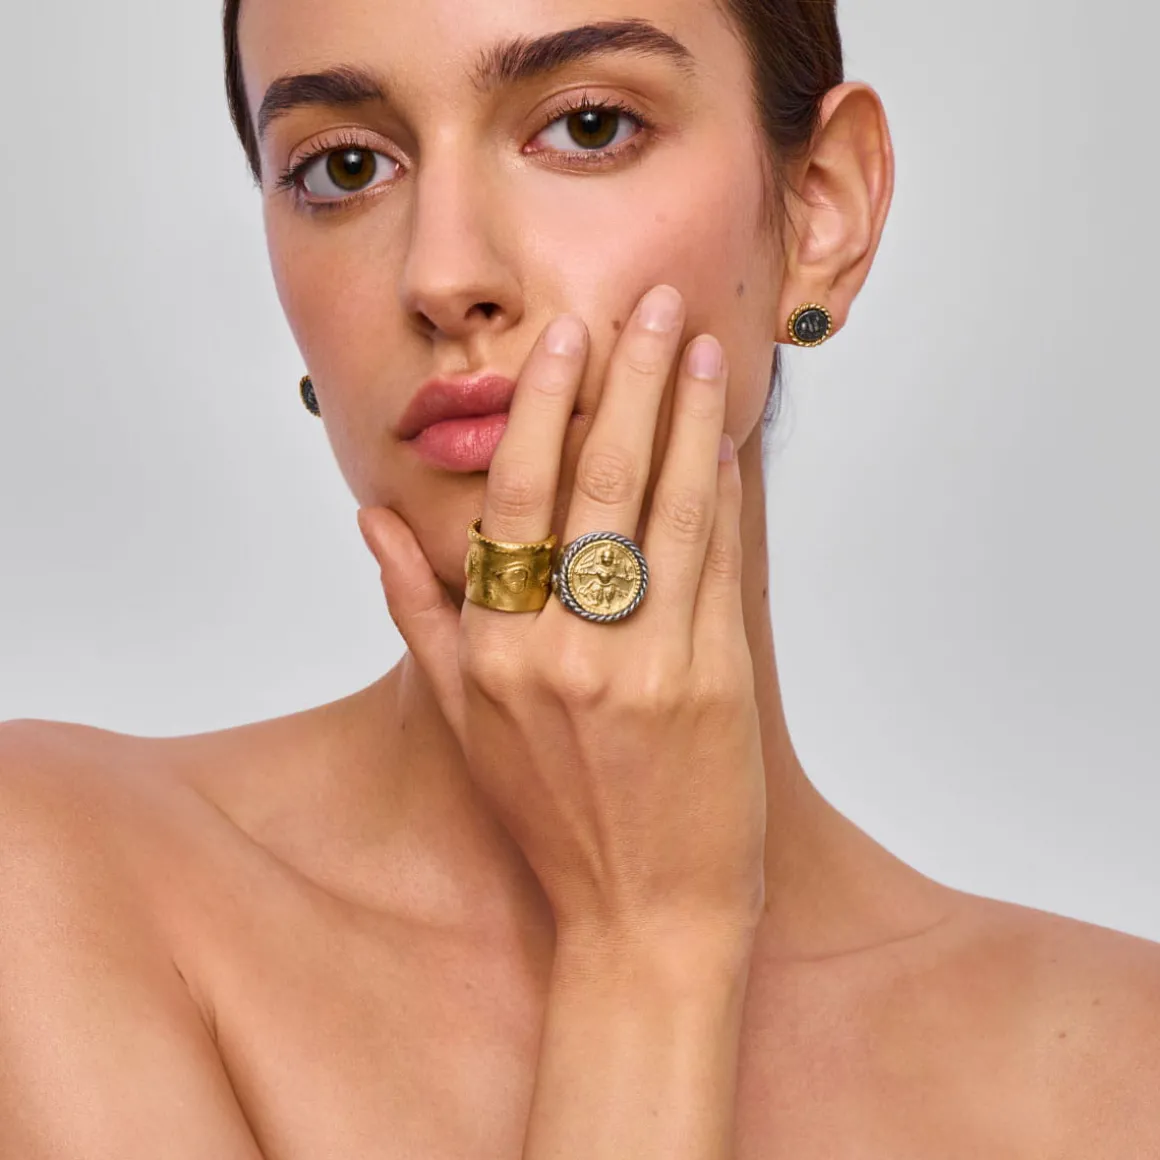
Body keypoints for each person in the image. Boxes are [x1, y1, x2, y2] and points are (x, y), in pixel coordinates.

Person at [1, 0, 1157, 1155]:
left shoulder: (1120, 1068)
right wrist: (647, 944)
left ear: (821, 210)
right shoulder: (56, 880)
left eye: (588, 126)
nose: (444, 275)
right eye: (344, 167)